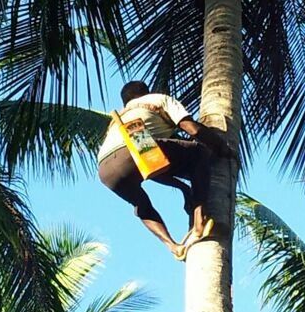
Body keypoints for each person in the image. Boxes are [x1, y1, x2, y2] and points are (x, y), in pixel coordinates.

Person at [98, 81, 234, 260]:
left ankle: (173, 246)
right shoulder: (158, 99)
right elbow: (191, 128)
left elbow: (150, 164)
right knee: (200, 153)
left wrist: (183, 188)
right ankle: (200, 220)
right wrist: (220, 147)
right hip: (134, 146)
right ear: (145, 92)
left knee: (142, 205)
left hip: (105, 167)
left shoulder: (121, 118)